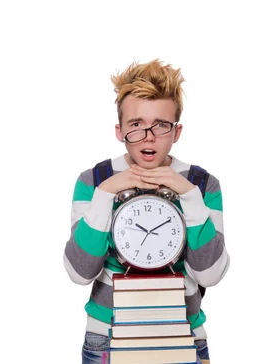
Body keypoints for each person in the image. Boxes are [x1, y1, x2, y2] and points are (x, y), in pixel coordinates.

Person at [63, 59, 229, 364]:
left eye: (161, 125)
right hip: (107, 338)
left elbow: (211, 273)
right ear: (119, 130)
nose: (148, 136)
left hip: (185, 335)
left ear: (176, 131)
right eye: (136, 125)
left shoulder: (202, 185)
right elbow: (79, 272)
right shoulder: (94, 182)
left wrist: (189, 196)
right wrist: (105, 195)